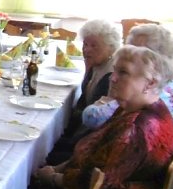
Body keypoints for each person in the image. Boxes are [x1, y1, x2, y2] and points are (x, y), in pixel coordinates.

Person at [35, 45, 173, 189]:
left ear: (150, 83)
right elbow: (95, 153)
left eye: (124, 73)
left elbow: (94, 182)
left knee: (25, 186)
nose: (113, 78)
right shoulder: (141, 107)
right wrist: (59, 168)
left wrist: (53, 177)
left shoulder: (136, 131)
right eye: (115, 70)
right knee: (40, 164)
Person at [45, 19, 121, 165]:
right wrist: (88, 69)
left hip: (88, 145)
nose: (87, 49)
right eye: (85, 44)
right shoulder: (98, 64)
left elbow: (91, 117)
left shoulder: (111, 77)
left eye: (94, 46)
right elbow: (85, 99)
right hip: (83, 135)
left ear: (112, 48)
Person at [82, 23, 173, 128]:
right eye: (129, 47)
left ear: (153, 57)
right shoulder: (172, 83)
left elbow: (92, 118)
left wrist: (102, 103)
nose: (128, 53)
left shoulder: (140, 91)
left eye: (136, 50)